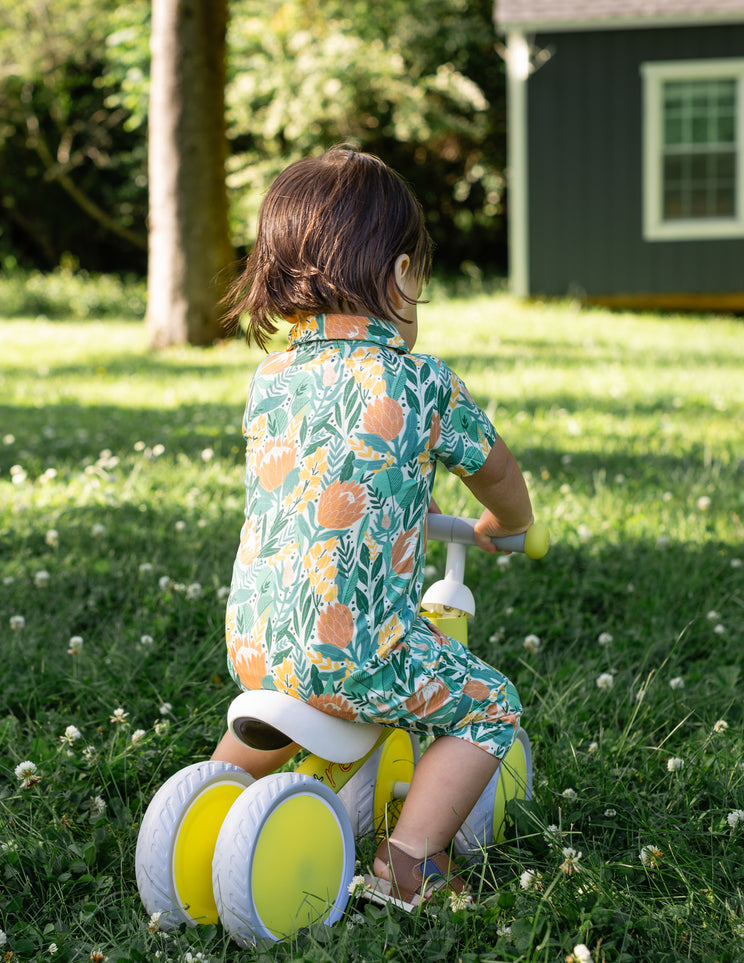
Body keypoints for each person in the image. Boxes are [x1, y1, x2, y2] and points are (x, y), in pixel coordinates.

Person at [213, 146, 536, 908]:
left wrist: (403, 505)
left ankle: (214, 794)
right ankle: (409, 861)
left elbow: (328, 478)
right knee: (489, 702)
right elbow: (495, 472)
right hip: (358, 652)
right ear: (400, 277)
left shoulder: (272, 379)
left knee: (286, 702)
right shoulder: (423, 382)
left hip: (256, 642)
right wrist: (508, 522)